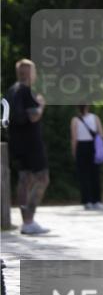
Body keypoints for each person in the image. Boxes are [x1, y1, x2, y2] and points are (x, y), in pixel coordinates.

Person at [4, 59, 51, 235]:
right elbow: (33, 117)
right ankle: (29, 220)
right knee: (43, 178)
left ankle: (26, 222)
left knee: (24, 179)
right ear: (29, 73)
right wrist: (41, 105)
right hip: (32, 144)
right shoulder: (27, 91)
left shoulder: (11, 90)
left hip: (16, 142)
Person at [70, 105, 103, 209]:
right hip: (93, 147)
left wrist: (74, 151)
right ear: (88, 107)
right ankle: (97, 200)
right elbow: (101, 134)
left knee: (83, 175)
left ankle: (87, 201)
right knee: (95, 174)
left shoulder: (75, 120)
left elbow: (74, 138)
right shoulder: (95, 117)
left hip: (81, 147)